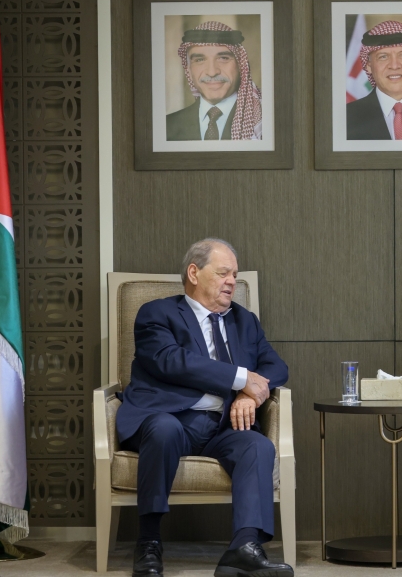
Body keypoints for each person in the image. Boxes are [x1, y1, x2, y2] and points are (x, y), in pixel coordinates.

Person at [115, 238, 292, 577]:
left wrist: (249, 396)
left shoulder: (245, 321)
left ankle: (244, 548)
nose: (231, 282)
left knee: (257, 446)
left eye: (235, 275)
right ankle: (149, 542)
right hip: (169, 419)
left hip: (223, 427)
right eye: (223, 273)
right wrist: (241, 379)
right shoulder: (157, 313)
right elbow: (171, 361)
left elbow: (276, 367)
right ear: (194, 273)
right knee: (164, 429)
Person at [167, 21, 263, 141]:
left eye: (223, 58)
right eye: (200, 60)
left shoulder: (264, 120)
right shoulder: (167, 126)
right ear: (189, 71)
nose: (212, 72)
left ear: (241, 66)